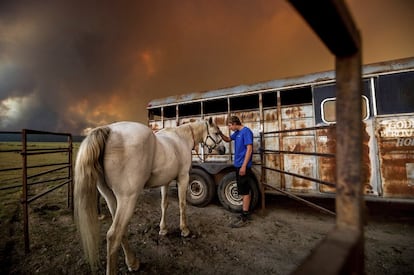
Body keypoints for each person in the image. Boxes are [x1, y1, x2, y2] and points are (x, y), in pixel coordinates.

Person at [218, 115, 254, 228]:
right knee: (242, 190)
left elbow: (249, 149)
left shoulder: (246, 132)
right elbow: (228, 139)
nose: (229, 128)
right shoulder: (237, 133)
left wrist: (244, 166)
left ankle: (245, 216)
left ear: (234, 123)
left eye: (229, 125)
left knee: (245, 191)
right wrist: (219, 133)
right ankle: (244, 213)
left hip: (243, 166)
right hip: (238, 165)